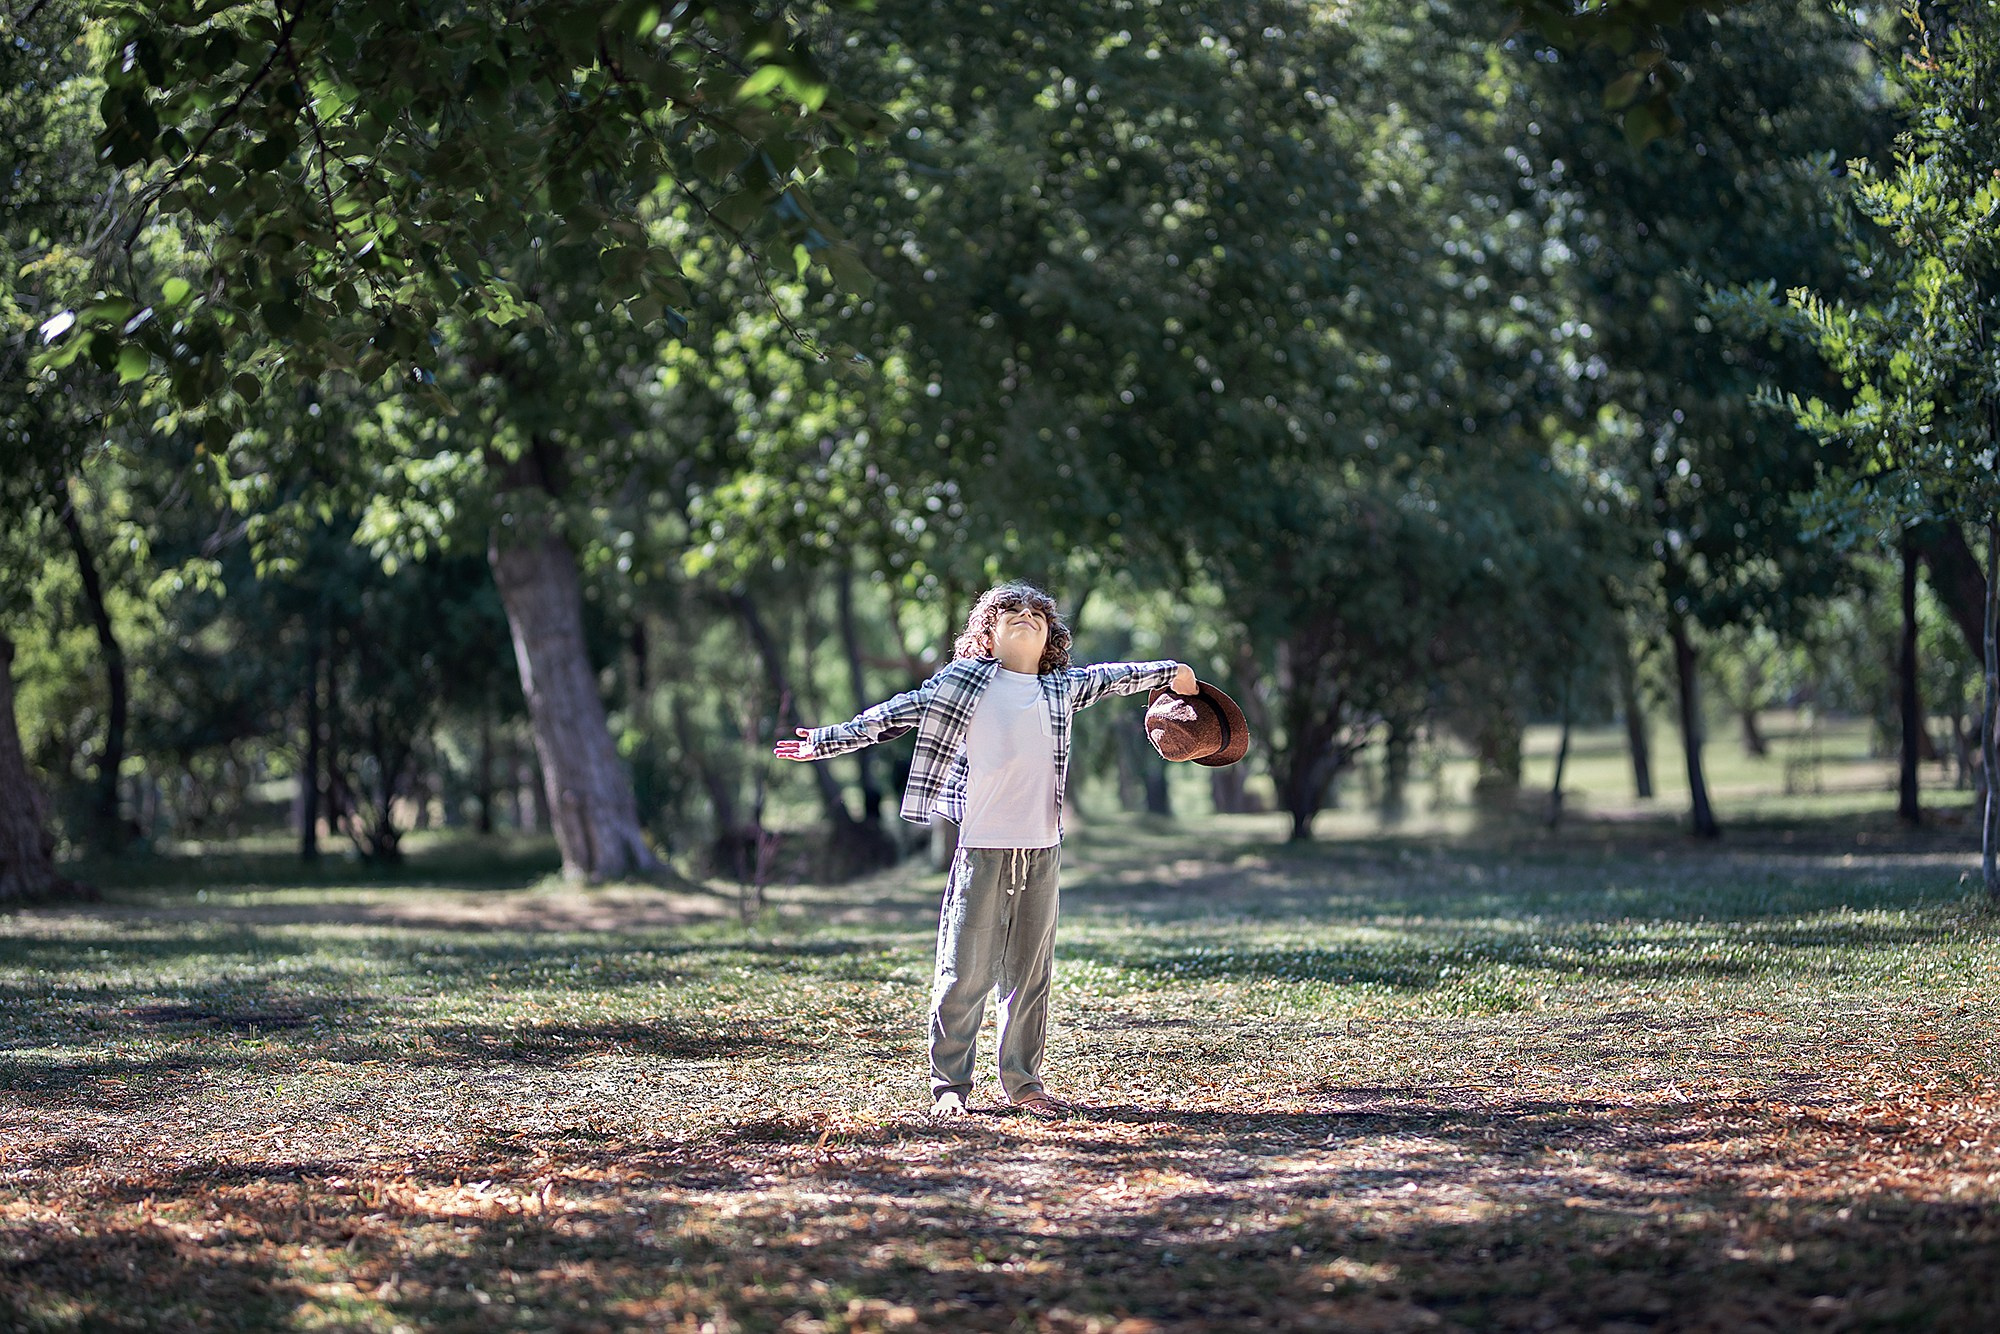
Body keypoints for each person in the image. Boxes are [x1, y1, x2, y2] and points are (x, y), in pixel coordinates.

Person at [775, 582, 1194, 1120]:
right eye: (1011, 613)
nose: (1025, 618)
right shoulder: (962, 684)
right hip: (981, 852)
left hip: (1042, 853)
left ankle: (1023, 1082)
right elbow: (895, 713)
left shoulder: (1060, 687)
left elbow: (1116, 676)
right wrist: (827, 741)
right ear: (987, 634)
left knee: (1030, 973)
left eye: (1036, 617)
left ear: (1051, 640)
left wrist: (1171, 672)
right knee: (964, 970)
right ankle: (949, 1083)